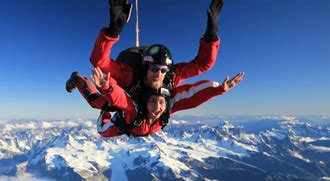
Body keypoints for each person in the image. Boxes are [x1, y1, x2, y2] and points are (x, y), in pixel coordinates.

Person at [67, 0, 224, 105]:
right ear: (146, 67)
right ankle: (79, 80)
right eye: (155, 68)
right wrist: (112, 31)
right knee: (100, 104)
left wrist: (212, 36)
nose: (159, 74)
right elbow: (100, 62)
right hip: (126, 94)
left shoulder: (171, 76)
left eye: (163, 70)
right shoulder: (130, 75)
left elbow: (203, 64)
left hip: (146, 108)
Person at [89, 67, 244, 137]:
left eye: (161, 102)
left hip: (136, 129)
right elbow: (122, 100)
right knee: (101, 120)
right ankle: (79, 81)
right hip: (121, 125)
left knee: (106, 103)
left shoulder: (168, 109)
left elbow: (192, 98)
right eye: (153, 102)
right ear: (145, 103)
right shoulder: (135, 111)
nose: (157, 107)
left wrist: (219, 89)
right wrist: (107, 87)